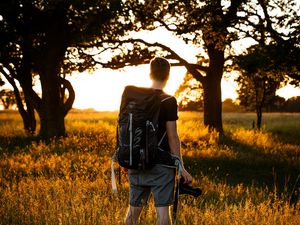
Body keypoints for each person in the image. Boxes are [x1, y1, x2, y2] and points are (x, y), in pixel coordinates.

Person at [124, 57, 193, 225]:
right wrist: (181, 167)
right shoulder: (169, 101)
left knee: (133, 213)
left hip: (136, 162)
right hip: (161, 166)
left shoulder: (134, 98)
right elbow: (172, 137)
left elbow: (125, 128)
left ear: (150, 74)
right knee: (162, 214)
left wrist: (128, 159)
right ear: (168, 76)